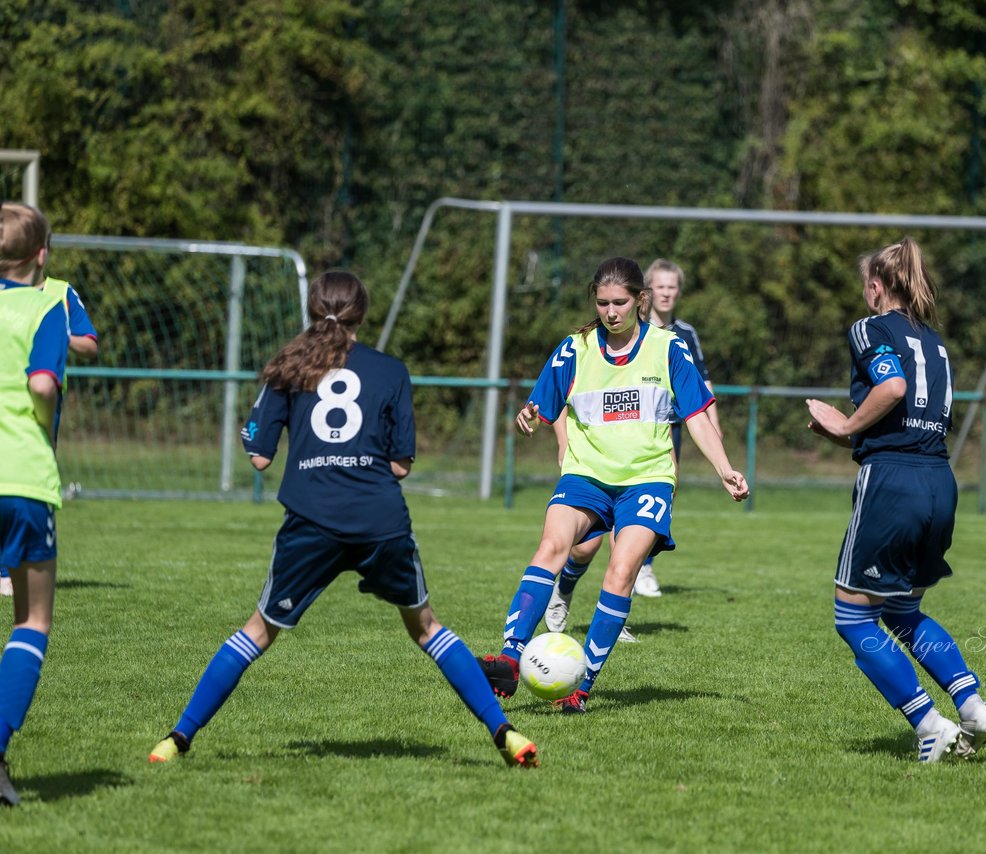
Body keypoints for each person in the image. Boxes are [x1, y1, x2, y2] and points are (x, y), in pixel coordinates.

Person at [148, 271, 537, 768]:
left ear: (312, 311)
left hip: (313, 517)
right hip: (380, 519)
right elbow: (399, 465)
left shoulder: (289, 366)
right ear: (363, 315)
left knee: (258, 632)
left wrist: (263, 429)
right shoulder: (391, 370)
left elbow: (260, 457)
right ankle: (505, 733)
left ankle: (176, 739)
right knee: (427, 628)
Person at [478, 257, 748, 713]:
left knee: (621, 571)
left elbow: (697, 415)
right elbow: (541, 403)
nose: (610, 311)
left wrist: (724, 467)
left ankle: (580, 689)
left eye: (620, 302)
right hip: (586, 474)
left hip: (647, 479)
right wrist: (528, 416)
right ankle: (508, 658)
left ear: (640, 300)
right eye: (602, 303)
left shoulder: (669, 348)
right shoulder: (575, 348)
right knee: (551, 547)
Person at [805, 237, 986, 763]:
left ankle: (928, 723)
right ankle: (971, 704)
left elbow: (890, 389)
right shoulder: (934, 341)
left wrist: (845, 425)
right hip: (939, 479)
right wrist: (850, 435)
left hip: (893, 483)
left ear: (875, 287)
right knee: (902, 608)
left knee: (852, 619)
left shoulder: (870, 327)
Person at [543, 259, 719, 637]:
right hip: (597, 458)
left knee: (629, 538)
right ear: (646, 293)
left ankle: (613, 609)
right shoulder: (594, 340)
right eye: (660, 286)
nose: (666, 293)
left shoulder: (680, 337)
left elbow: (702, 399)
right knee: (584, 548)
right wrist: (564, 443)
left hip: (653, 449)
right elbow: (561, 395)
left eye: (673, 287)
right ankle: (566, 588)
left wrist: (721, 459)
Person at [0, 200, 69, 804]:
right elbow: (42, 383)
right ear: (40, 255)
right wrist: (43, 419)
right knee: (31, 620)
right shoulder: (48, 306)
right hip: (18, 478)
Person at [0, 273, 97, 598]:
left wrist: (58, 333)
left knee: (12, 480)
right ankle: (2, 567)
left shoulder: (58, 295)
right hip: (5, 400)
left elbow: (89, 343)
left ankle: (7, 566)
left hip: (34, 403)